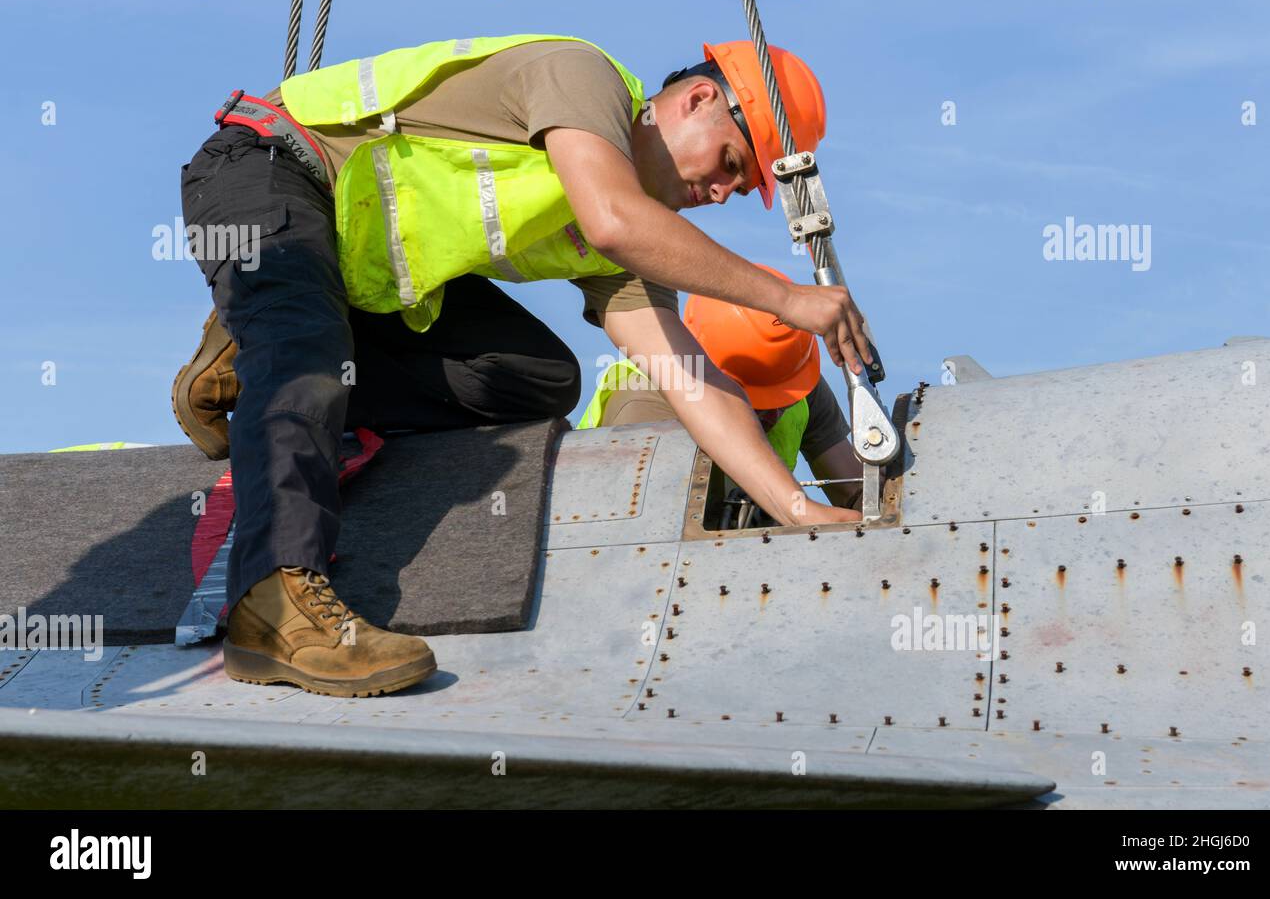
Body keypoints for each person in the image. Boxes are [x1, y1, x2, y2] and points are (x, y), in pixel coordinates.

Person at [173, 34, 876, 697]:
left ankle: (256, 342)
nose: (721, 193)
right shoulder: (582, 77)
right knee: (304, 355)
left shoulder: (628, 232)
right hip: (270, 168)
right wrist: (787, 297)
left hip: (352, 277)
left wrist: (796, 508)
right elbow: (612, 218)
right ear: (697, 100)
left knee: (540, 380)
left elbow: (690, 379)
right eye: (730, 163)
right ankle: (274, 605)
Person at [577, 264, 865, 522]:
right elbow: (648, 537)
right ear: (703, 372)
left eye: (782, 396)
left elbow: (852, 488)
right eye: (754, 396)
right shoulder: (643, 412)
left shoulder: (793, 376)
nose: (776, 410)